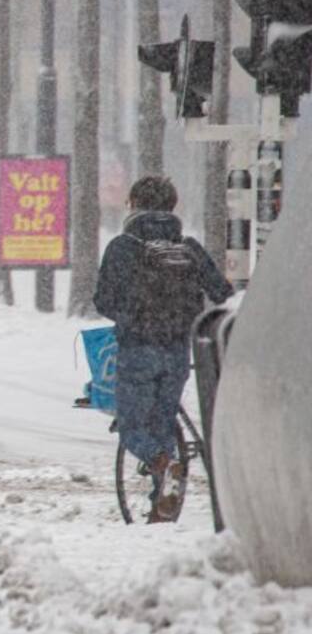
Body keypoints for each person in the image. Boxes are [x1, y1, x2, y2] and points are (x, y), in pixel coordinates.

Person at [93, 174, 233, 523]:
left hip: (138, 348)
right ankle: (161, 507)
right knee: (162, 421)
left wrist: (129, 316)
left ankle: (164, 465)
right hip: (176, 351)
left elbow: (103, 300)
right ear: (173, 207)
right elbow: (222, 293)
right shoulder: (188, 248)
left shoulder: (123, 247)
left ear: (133, 205)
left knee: (133, 427)